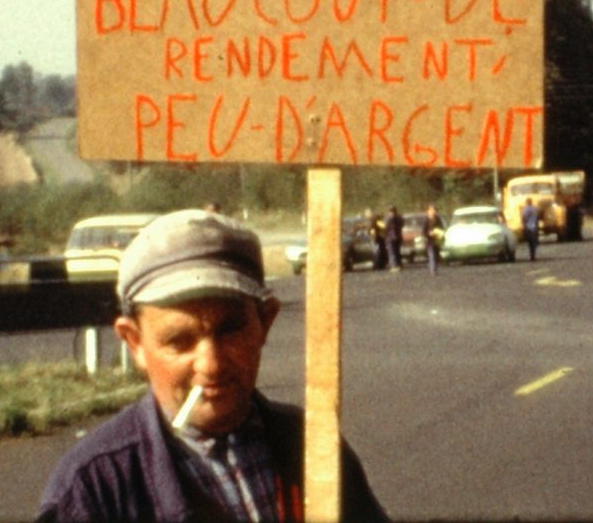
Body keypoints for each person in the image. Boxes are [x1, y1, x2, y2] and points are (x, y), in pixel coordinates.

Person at [38, 209, 388, 523]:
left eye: (230, 330)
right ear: (135, 344)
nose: (212, 364)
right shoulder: (95, 488)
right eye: (179, 341)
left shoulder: (311, 445)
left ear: (265, 323)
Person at [422, 204, 445, 275]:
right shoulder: (426, 220)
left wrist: (438, 232)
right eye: (431, 210)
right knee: (431, 255)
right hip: (429, 241)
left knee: (436, 255)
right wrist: (429, 233)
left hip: (437, 240)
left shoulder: (438, 219)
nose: (433, 212)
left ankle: (435, 267)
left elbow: (442, 228)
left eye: (434, 210)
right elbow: (423, 231)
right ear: (428, 211)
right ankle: (433, 270)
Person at [384, 206, 404, 272]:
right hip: (398, 236)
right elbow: (402, 224)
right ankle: (399, 264)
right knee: (397, 251)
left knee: (392, 252)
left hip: (390, 237)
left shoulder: (388, 218)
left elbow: (385, 226)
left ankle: (394, 266)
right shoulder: (399, 217)